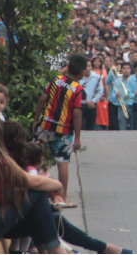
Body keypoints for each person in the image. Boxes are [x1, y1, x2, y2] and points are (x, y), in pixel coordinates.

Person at [0, 109, 130, 254]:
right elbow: (34, 183)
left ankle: (102, 248)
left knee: (48, 218)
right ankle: (57, 250)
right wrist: (59, 187)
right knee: (36, 194)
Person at [32, 54, 87, 208]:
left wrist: (36, 119)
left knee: (37, 157)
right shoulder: (78, 89)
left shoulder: (56, 80)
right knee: (62, 162)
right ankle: (62, 197)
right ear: (82, 72)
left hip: (45, 127)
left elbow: (42, 99)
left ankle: (37, 192)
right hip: (64, 131)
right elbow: (76, 113)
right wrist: (77, 138)